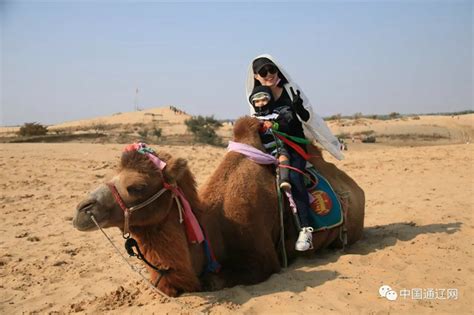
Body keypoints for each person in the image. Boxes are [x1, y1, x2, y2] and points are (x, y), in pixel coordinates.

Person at [246, 55, 345, 251]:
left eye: (272, 70)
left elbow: (307, 117)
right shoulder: (257, 96)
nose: (269, 75)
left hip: (294, 145)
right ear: (256, 76)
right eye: (263, 72)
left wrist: (297, 107)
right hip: (269, 147)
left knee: (293, 177)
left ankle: (306, 229)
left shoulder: (291, 91)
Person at [249, 85, 292, 190]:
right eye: (257, 101)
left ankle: (284, 180)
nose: (261, 103)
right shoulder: (252, 119)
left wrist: (274, 125)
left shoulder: (276, 115)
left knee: (283, 157)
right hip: (259, 150)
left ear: (270, 100)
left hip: (276, 147)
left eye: (264, 100)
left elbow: (285, 126)